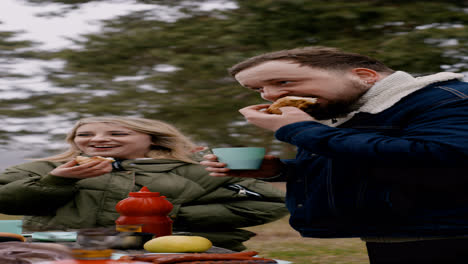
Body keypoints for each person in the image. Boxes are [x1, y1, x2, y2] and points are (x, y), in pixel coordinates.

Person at [200, 46, 468, 263]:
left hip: (450, 237)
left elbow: (443, 157)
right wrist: (283, 170)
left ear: (365, 76)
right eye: (258, 89)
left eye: (283, 81)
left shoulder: (450, 99)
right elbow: (373, 161)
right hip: (400, 236)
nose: (270, 95)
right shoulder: (346, 111)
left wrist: (297, 129)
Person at [0, 116, 288, 251]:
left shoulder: (193, 169)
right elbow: (6, 199)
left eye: (117, 133)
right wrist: (56, 181)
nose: (97, 139)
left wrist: (168, 214)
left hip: (161, 248)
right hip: (61, 248)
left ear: (153, 138)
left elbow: (269, 203)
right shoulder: (46, 167)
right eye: (85, 134)